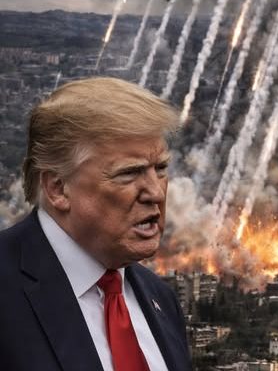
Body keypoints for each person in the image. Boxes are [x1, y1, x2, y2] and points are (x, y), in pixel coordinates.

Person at [0, 77, 192, 371]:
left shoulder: (162, 299)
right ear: (58, 188)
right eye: (129, 173)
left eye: (161, 168)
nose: (156, 192)